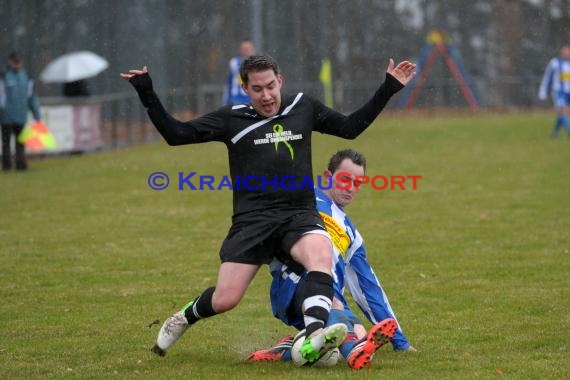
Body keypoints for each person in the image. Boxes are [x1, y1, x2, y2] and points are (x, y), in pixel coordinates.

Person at [120, 54, 416, 363]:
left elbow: (350, 127)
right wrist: (146, 92)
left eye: (271, 86)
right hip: (253, 220)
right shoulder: (231, 118)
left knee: (321, 255)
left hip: (298, 213)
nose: (267, 96)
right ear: (245, 88)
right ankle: (184, 317)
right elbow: (176, 135)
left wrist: (388, 88)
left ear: (281, 82)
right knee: (225, 299)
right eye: (258, 89)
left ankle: (316, 333)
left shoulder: (303, 107)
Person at [247, 149, 415, 370]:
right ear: (328, 176)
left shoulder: (351, 233)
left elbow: (367, 286)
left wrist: (401, 342)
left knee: (354, 334)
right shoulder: (303, 198)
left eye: (358, 182)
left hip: (331, 297)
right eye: (345, 179)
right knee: (342, 322)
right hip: (295, 283)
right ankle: (352, 349)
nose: (351, 188)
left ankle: (288, 348)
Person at [0, 51, 42, 171]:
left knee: (21, 143)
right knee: (6, 143)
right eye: (15, 62)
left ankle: (21, 164)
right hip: (6, 117)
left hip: (21, 116)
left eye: (18, 62)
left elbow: (32, 98)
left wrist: (37, 115)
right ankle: (7, 166)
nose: (17, 64)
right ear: (10, 62)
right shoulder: (4, 77)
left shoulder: (27, 77)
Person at [538, 45, 570, 138]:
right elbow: (547, 77)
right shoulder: (555, 63)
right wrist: (543, 90)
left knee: (563, 113)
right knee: (562, 111)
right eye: (565, 52)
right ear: (561, 52)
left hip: (569, 92)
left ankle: (555, 132)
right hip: (559, 91)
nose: (567, 54)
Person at [222, 39, 255, 105]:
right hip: (236, 98)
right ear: (240, 50)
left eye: (248, 48)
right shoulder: (234, 63)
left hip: (251, 97)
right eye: (244, 49)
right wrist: (226, 99)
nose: (246, 51)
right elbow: (230, 82)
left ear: (253, 49)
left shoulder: (257, 63)